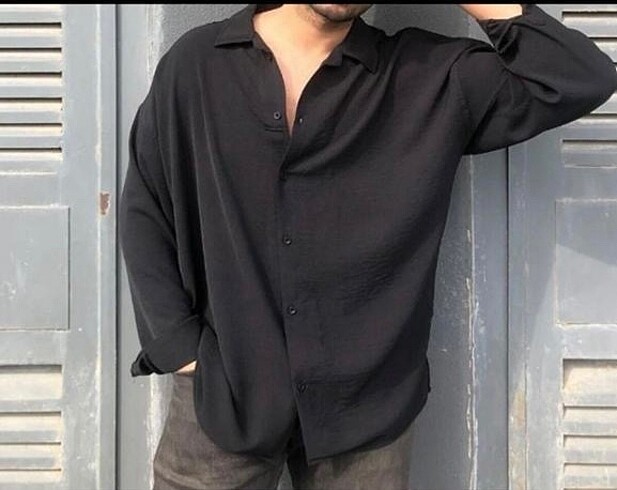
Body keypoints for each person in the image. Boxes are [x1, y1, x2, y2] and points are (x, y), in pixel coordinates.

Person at [118, 3, 617, 489]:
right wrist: (180, 350)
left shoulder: (428, 77)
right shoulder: (197, 64)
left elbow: (580, 77)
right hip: (223, 396)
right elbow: (146, 208)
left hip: (368, 412)